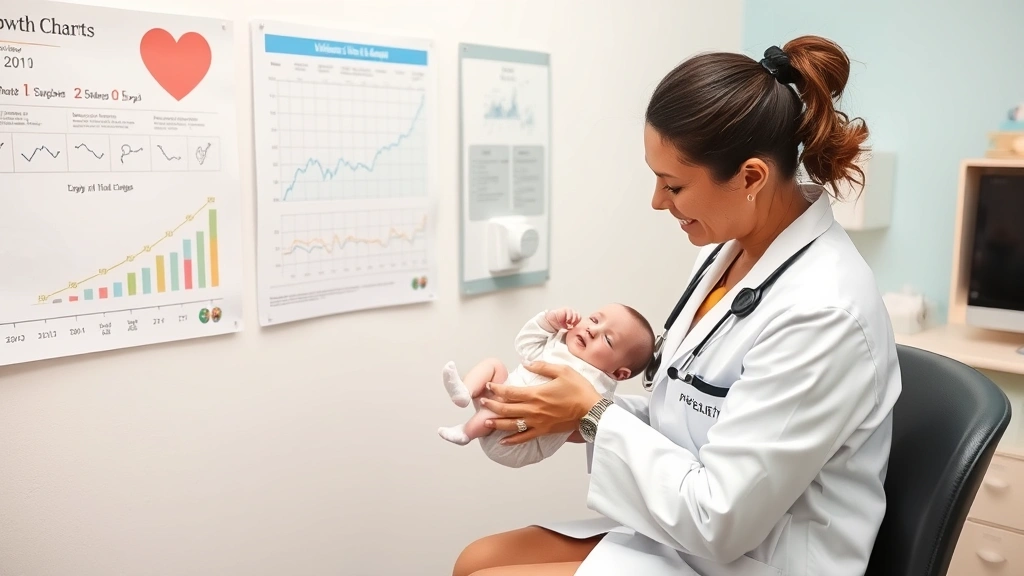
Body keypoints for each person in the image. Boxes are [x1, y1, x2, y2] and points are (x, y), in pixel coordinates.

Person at [451, 35, 902, 576]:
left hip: (754, 555)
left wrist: (591, 414)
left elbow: (721, 517)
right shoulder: (727, 252)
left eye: (673, 185)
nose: (658, 202)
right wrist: (557, 407)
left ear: (750, 177)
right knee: (475, 561)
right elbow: (690, 412)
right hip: (685, 530)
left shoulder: (824, 313)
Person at [438, 304, 655, 469]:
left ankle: (466, 432)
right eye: (594, 319)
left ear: (618, 373)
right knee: (494, 365)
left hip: (520, 442)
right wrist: (548, 322)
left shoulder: (598, 384)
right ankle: (464, 392)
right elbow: (524, 345)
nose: (592, 330)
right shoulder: (558, 343)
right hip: (498, 408)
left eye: (608, 339)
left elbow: (592, 422)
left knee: (506, 401)